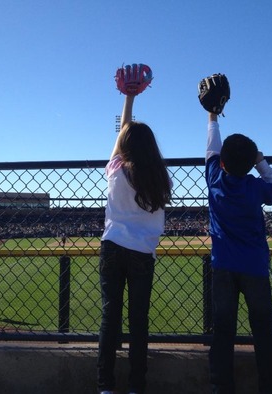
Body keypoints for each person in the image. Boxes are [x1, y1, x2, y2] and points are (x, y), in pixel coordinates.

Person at [205, 111, 272, 393]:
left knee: (223, 332)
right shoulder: (255, 187)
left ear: (222, 162)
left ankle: (220, 386)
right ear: (249, 165)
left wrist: (212, 116)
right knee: (264, 331)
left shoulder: (214, 178)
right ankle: (270, 387)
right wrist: (260, 161)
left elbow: (212, 148)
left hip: (223, 266)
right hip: (254, 267)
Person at [97, 93, 172, 394]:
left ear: (125, 145)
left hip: (113, 246)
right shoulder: (160, 178)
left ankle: (105, 386)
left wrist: (129, 98)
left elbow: (120, 139)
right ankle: (136, 386)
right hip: (142, 253)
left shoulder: (116, 170)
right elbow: (127, 141)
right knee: (138, 322)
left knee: (109, 317)